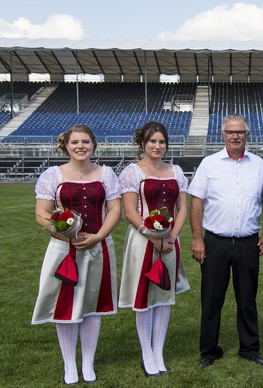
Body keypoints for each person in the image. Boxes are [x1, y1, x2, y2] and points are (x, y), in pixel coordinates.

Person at [32, 124, 121, 385]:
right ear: (66, 146)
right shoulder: (53, 175)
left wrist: (99, 236)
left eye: (85, 142)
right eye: (75, 142)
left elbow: (115, 209)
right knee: (65, 306)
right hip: (63, 249)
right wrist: (63, 232)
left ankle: (88, 363)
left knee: (92, 307)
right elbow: (41, 214)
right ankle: (70, 364)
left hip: (97, 246)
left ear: (93, 145)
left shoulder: (106, 174)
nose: (80, 146)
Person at [188, 114, 263, 368]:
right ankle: (209, 351)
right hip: (215, 243)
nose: (235, 136)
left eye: (240, 132)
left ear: (247, 135)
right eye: (230, 132)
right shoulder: (209, 164)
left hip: (248, 242)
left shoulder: (259, 165)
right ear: (222, 135)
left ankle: (250, 348)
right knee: (211, 298)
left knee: (247, 297)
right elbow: (196, 201)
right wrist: (198, 239)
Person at [118, 121, 190, 376]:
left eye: (161, 142)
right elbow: (129, 211)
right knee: (145, 298)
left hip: (169, 241)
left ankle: (158, 351)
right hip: (142, 240)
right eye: (152, 142)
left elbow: (182, 209)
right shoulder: (132, 172)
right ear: (143, 144)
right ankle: (146, 353)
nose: (157, 146)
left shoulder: (176, 171)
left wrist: (171, 237)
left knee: (163, 298)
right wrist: (153, 236)